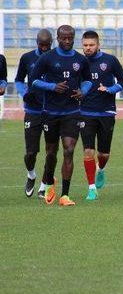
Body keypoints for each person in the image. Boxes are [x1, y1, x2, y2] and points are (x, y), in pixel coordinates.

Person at [30, 25, 92, 206]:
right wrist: (52, 86)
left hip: (72, 112)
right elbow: (33, 80)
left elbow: (87, 80)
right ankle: (50, 183)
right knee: (51, 153)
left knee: (69, 150)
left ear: (74, 38)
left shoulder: (81, 60)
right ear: (57, 38)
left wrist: (84, 91)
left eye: (70, 38)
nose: (67, 41)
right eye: (63, 38)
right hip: (50, 112)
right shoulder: (47, 58)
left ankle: (65, 195)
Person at [79, 31, 123, 201]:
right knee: (88, 151)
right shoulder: (78, 63)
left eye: (91, 45)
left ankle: (101, 169)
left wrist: (110, 89)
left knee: (103, 154)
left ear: (98, 45)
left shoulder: (110, 60)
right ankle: (91, 188)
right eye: (85, 45)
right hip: (85, 112)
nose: (88, 48)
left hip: (106, 112)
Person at [14, 29, 52, 198]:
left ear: (52, 43)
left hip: (53, 111)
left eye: (47, 45)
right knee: (31, 153)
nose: (44, 48)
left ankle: (43, 186)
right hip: (32, 111)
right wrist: (24, 93)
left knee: (51, 152)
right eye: (41, 45)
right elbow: (18, 80)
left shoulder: (56, 58)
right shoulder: (27, 58)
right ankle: (31, 175)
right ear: (37, 42)